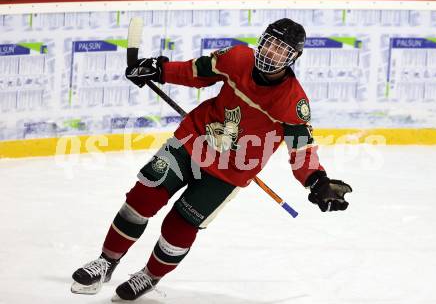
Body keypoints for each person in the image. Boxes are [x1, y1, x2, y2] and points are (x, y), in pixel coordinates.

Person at [71, 18, 352, 301]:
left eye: (281, 50)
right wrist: (158, 69)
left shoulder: (292, 101)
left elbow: (301, 149)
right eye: (269, 44)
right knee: (143, 197)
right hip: (192, 142)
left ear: (293, 57)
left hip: (229, 173)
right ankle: (106, 262)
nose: (271, 53)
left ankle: (150, 275)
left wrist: (318, 181)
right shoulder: (238, 58)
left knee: (179, 225)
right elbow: (196, 72)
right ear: (261, 41)